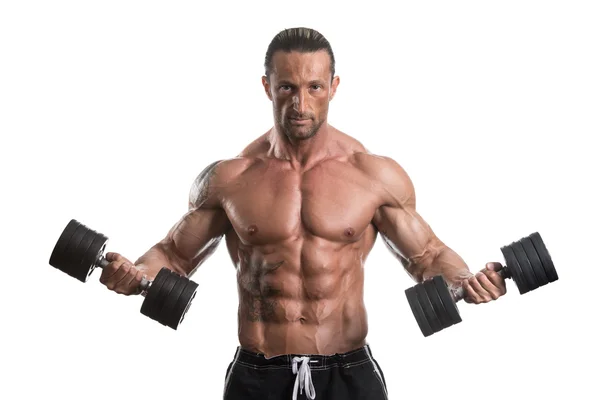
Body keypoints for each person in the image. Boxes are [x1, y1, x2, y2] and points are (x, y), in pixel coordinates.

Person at [99, 27, 507, 400]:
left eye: (314, 87)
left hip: (348, 373)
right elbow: (173, 255)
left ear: (334, 87)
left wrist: (465, 281)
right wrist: (137, 274)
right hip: (258, 373)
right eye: (287, 88)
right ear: (266, 87)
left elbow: (428, 256)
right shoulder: (231, 179)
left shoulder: (372, 175)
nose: (301, 103)